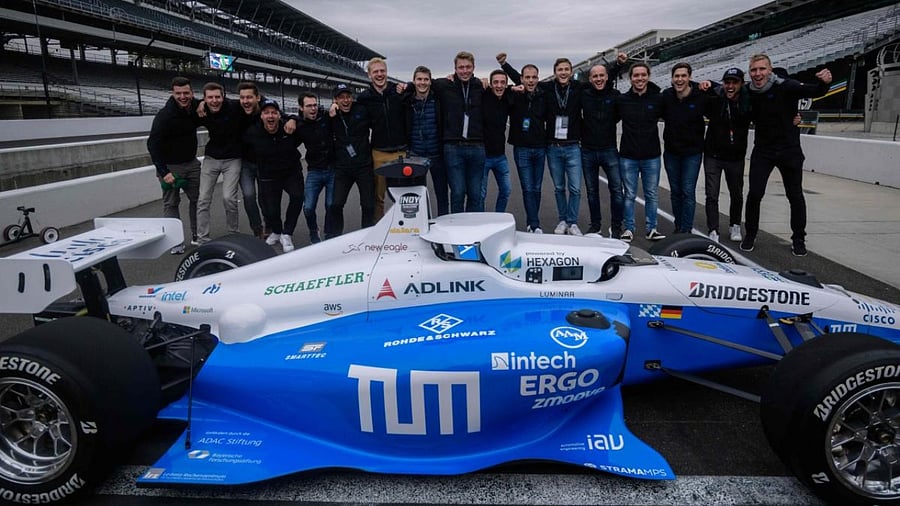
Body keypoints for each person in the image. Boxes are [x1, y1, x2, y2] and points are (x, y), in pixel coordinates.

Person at [742, 54, 831, 256]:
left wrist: (824, 83)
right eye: (754, 70)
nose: (758, 74)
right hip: (763, 150)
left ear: (770, 70)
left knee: (795, 196)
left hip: (789, 150)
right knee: (755, 194)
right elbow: (728, 91)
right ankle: (750, 234)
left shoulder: (786, 85)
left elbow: (814, 91)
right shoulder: (748, 91)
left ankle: (799, 238)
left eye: (762, 69)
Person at [147, 76, 202, 254]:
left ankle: (198, 235)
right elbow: (152, 144)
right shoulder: (164, 116)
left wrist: (201, 104)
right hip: (170, 167)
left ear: (192, 93)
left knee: (198, 200)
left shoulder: (195, 107)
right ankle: (175, 241)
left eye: (186, 93)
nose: (183, 97)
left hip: (192, 164)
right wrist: (163, 172)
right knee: (171, 203)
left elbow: (215, 102)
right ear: (173, 93)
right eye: (178, 93)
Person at [241, 98, 304, 252]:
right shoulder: (252, 132)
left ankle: (287, 233)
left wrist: (293, 118)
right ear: (261, 116)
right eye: (266, 113)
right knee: (270, 209)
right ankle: (276, 231)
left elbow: (304, 123)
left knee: (297, 197)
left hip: (291, 172)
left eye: (274, 113)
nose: (270, 116)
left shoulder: (288, 127)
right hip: (268, 174)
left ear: (279, 115)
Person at [614, 62, 666, 242]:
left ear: (648, 76)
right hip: (628, 156)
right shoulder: (622, 100)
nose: (640, 78)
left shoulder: (658, 98)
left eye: (643, 75)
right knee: (629, 194)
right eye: (636, 75)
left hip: (652, 156)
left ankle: (652, 228)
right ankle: (629, 228)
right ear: (630, 78)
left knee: (651, 193)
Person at [431, 51, 486, 213]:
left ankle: (471, 229)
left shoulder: (480, 86)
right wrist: (403, 86)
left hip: (477, 147)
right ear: (455, 69)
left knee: (475, 194)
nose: (464, 71)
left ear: (474, 67)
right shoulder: (444, 85)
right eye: (461, 67)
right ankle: (456, 230)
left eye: (468, 67)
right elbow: (423, 82)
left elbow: (503, 89)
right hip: (453, 147)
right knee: (458, 192)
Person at [702, 67, 751, 243]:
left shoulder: (748, 100)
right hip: (713, 155)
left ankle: (735, 224)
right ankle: (713, 229)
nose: (730, 86)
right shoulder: (715, 97)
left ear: (741, 84)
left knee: (736, 194)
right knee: (712, 194)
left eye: (734, 82)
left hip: (735, 157)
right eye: (727, 82)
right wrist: (709, 85)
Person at [661, 62, 710, 234]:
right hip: (672, 152)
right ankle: (678, 225)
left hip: (692, 153)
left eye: (683, 75)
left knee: (688, 191)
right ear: (672, 79)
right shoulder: (666, 96)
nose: (680, 79)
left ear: (689, 77)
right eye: (676, 76)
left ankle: (686, 229)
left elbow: (719, 104)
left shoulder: (700, 95)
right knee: (675, 192)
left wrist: (710, 84)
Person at [357, 58, 408, 220]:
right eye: (375, 72)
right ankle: (378, 230)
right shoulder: (364, 98)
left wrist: (409, 86)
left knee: (402, 196)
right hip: (379, 153)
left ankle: (403, 227)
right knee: (378, 197)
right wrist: (334, 106)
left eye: (382, 71)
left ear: (386, 72)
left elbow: (416, 89)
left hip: (401, 152)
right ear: (369, 75)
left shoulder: (397, 91)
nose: (379, 74)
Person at [500, 60, 547, 233]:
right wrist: (505, 66)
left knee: (537, 188)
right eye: (527, 77)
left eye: (534, 77)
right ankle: (534, 224)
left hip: (540, 147)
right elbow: (499, 92)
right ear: (521, 79)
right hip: (522, 149)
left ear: (538, 79)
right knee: (528, 188)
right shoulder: (515, 95)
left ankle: (533, 220)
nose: (531, 81)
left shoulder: (543, 95)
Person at [194, 82, 242, 245]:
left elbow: (259, 99)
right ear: (204, 99)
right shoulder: (202, 108)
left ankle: (233, 233)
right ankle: (202, 238)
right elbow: (184, 102)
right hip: (211, 158)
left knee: (229, 197)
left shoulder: (234, 106)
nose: (214, 101)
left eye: (217, 97)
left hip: (233, 159)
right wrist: (200, 104)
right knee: (203, 199)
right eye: (210, 98)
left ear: (223, 96)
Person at [581, 60, 624, 237]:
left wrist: (619, 65)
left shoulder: (616, 95)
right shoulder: (583, 95)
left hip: (609, 150)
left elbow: (618, 117)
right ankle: (595, 224)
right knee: (592, 191)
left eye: (601, 75)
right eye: (595, 76)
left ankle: (616, 227)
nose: (598, 79)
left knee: (616, 190)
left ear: (607, 77)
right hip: (588, 150)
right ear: (590, 79)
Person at [326, 84, 375, 238]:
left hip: (364, 166)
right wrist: (292, 118)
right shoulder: (331, 115)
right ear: (335, 100)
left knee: (368, 205)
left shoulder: (362, 109)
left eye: (348, 97)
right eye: (341, 98)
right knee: (336, 204)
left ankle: (367, 235)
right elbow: (308, 116)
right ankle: (336, 236)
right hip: (343, 168)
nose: (345, 100)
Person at [404, 66, 449, 215]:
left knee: (442, 195)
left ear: (430, 81)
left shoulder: (439, 100)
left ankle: (443, 226)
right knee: (418, 195)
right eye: (419, 79)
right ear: (414, 81)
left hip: (437, 154)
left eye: (425, 79)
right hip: (416, 155)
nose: (422, 83)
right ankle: (423, 224)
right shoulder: (406, 101)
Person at [297, 93, 334, 244]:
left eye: (315, 105)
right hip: (314, 171)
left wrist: (334, 105)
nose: (313, 109)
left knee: (331, 205)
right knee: (308, 207)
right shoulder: (299, 125)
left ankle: (329, 233)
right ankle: (314, 230)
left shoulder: (326, 117)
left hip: (332, 168)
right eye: (309, 106)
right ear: (301, 108)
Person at [480, 67, 515, 212]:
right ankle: (480, 222)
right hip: (483, 156)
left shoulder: (508, 97)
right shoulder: (484, 94)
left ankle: (499, 216)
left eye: (502, 82)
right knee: (481, 194)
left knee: (506, 190)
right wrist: (480, 80)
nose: (499, 85)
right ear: (491, 84)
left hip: (500, 156)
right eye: (495, 82)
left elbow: (523, 82)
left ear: (506, 84)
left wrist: (505, 64)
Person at [236, 82, 266, 239]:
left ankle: (270, 226)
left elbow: (284, 116)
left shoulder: (267, 111)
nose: (245, 101)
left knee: (264, 197)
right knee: (248, 196)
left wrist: (292, 119)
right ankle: (257, 229)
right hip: (245, 164)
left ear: (258, 98)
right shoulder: (235, 110)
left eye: (249, 97)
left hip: (263, 162)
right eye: (242, 98)